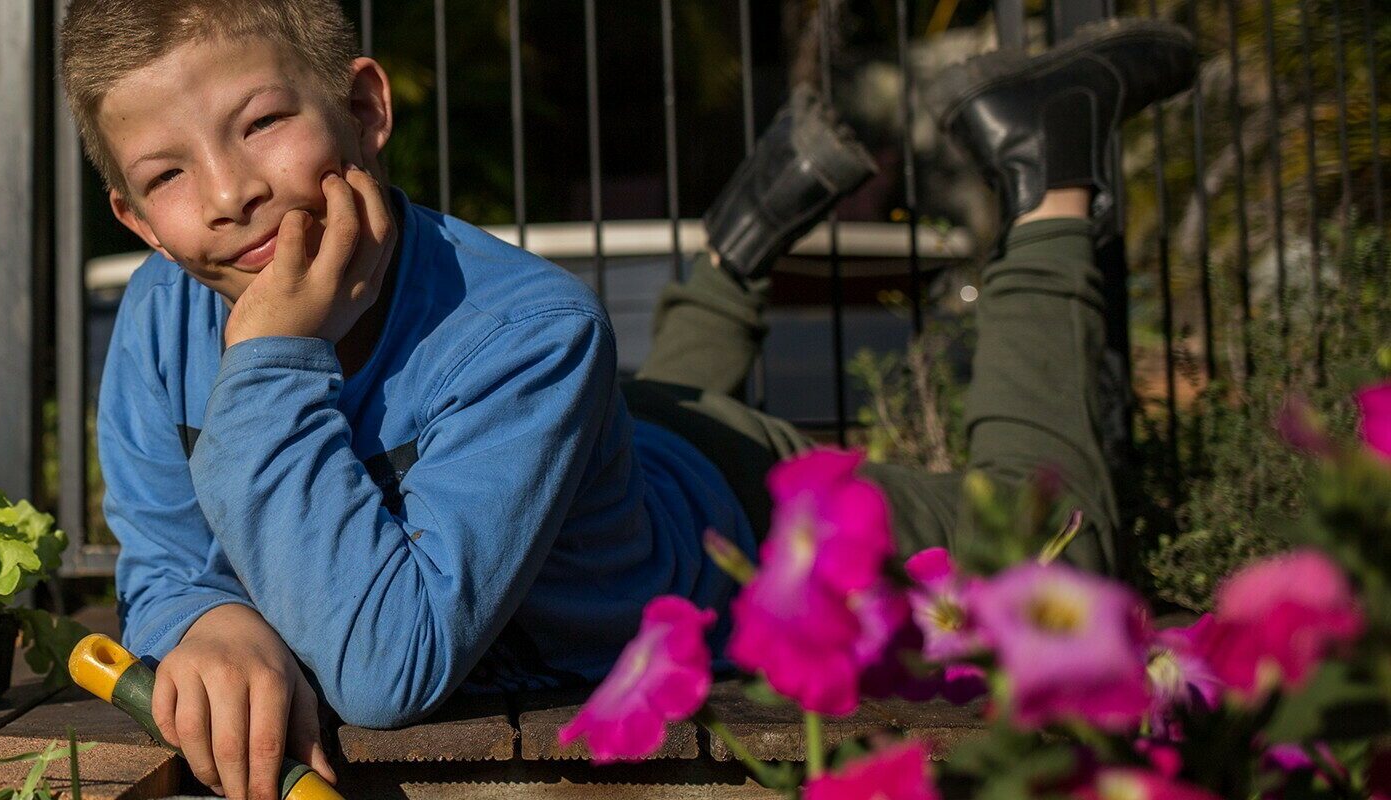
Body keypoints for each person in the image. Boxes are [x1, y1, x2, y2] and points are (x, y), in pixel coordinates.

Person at [62, 1, 1195, 796]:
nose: (226, 193)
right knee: (605, 418)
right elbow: (165, 553)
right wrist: (212, 621)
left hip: (736, 516)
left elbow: (383, 666)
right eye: (166, 174)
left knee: (1053, 547)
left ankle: (1051, 172)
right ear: (132, 218)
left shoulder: (529, 332)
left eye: (262, 121)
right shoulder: (164, 318)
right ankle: (748, 232)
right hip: (582, 454)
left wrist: (268, 360)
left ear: (365, 108)